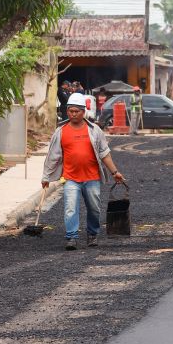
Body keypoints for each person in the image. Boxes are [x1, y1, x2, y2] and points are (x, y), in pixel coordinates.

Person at [42, 92, 126, 250]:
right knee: (70, 208)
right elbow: (52, 156)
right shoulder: (60, 132)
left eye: (77, 111)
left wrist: (115, 172)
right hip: (70, 178)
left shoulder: (95, 130)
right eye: (70, 111)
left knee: (94, 208)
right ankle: (71, 237)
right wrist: (46, 176)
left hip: (91, 178)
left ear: (84, 111)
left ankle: (92, 234)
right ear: (67, 111)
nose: (73, 114)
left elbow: (104, 153)